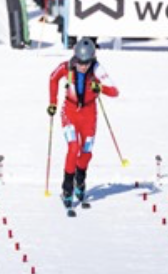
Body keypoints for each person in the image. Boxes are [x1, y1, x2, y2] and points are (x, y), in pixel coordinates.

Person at [47, 38, 119, 213]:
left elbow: (115, 91)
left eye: (86, 63)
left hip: (89, 115)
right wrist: (53, 103)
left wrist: (100, 88)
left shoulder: (97, 69)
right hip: (70, 112)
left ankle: (80, 180)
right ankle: (67, 187)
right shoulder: (67, 66)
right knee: (73, 148)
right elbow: (52, 78)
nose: (83, 66)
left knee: (86, 153)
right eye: (80, 62)